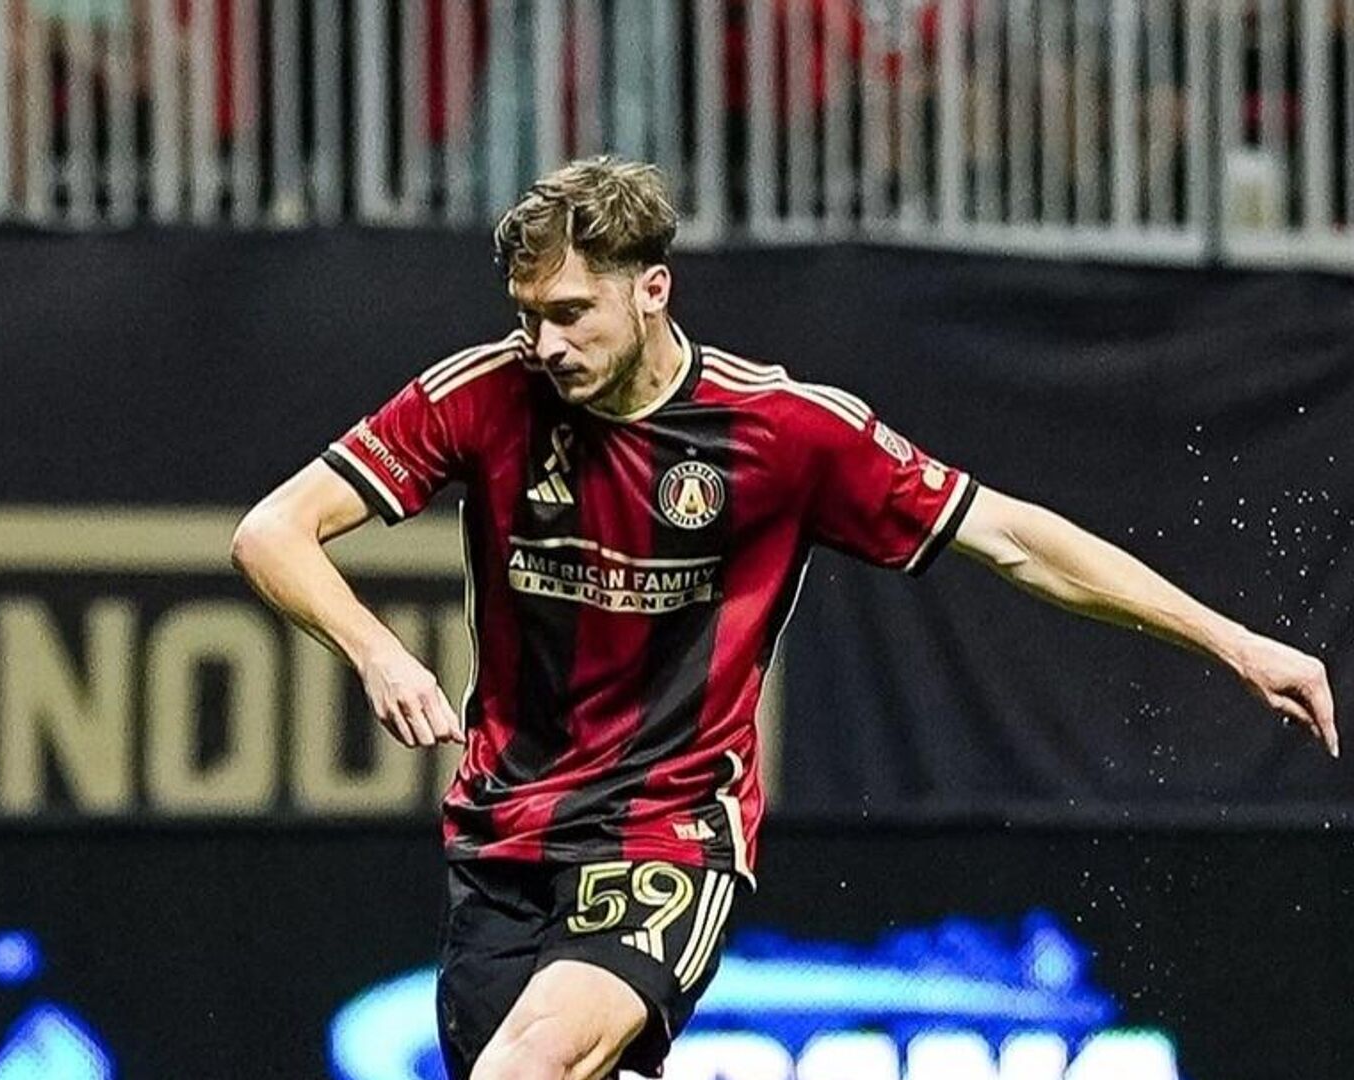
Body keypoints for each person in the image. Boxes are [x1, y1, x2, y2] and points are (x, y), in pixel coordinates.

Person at [229, 156, 1337, 1080]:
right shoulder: (484, 395)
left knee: (526, 1069)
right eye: (528, 318)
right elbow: (272, 532)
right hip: (501, 836)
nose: (547, 345)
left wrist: (1230, 639)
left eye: (570, 314)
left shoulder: (784, 431)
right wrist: (376, 652)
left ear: (651, 290)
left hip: (667, 830)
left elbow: (1010, 536)